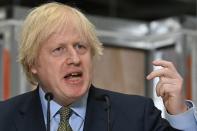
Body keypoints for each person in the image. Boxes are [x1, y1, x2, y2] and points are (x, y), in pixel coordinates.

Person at [0, 2, 196, 131]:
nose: (75, 58)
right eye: (59, 49)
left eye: (80, 46)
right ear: (33, 63)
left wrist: (178, 112)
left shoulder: (137, 115)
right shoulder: (4, 118)